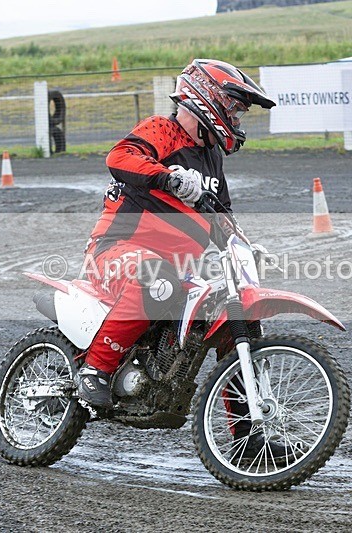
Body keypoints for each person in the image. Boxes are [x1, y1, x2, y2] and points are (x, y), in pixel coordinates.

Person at [76, 59, 275, 409]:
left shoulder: (212, 157)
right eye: (234, 108)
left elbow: (220, 215)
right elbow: (119, 157)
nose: (238, 119)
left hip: (182, 265)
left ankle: (249, 436)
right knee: (158, 278)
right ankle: (96, 369)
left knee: (235, 318)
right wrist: (166, 177)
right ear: (206, 98)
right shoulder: (162, 130)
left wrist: (242, 246)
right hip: (117, 249)